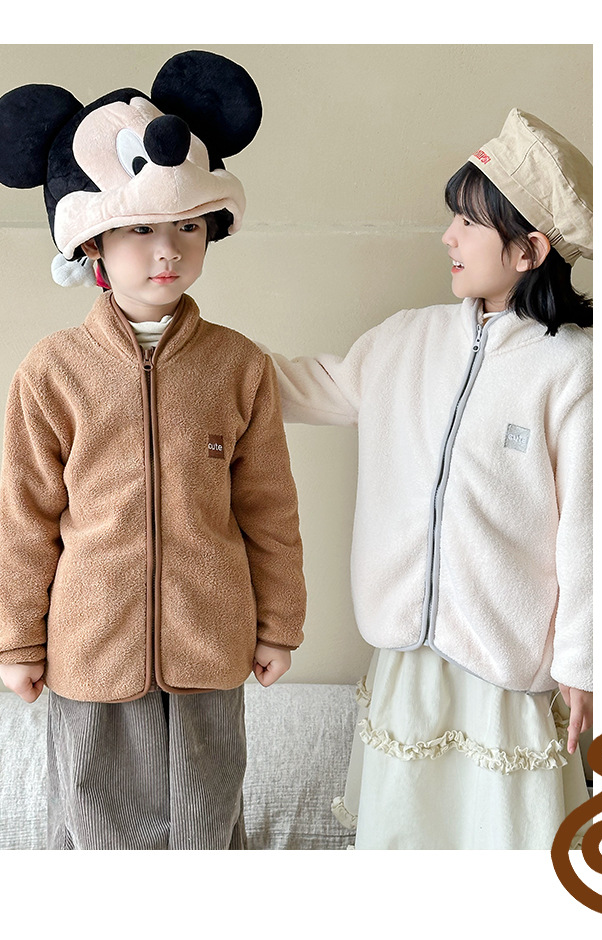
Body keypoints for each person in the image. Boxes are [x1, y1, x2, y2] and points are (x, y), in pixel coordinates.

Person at [0, 51, 306, 850]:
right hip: (90, 650)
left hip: (211, 644)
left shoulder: (238, 365)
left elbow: (269, 507)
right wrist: (16, 640)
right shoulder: (52, 371)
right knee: (92, 826)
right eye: (140, 228)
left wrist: (279, 624)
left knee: (208, 826)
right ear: (93, 242)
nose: (167, 249)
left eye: (187, 227)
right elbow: (23, 519)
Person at [266, 109, 592, 849]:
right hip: (408, 661)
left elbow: (590, 530)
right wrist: (201, 354)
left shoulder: (573, 368)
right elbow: (310, 385)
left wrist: (583, 662)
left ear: (529, 249)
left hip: (506, 668)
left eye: (469, 223)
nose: (448, 236)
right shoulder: (407, 338)